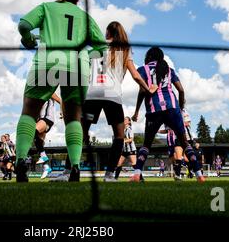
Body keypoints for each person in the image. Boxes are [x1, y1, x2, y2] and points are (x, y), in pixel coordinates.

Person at [14, 0, 107, 182]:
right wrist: (86, 55)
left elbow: (24, 26)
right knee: (74, 117)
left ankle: (20, 161)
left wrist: (28, 40)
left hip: (48, 59)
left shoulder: (46, 7)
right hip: (77, 65)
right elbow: (102, 48)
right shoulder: (85, 17)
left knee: (29, 111)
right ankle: (74, 167)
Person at [51, 21, 156, 182]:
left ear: (107, 33)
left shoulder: (95, 47)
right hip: (112, 96)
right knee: (119, 136)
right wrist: (148, 89)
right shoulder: (125, 50)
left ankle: (68, 172)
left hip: (92, 94)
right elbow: (135, 75)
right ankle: (109, 175)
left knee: (79, 133)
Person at [131, 47, 205, 183]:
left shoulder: (144, 69)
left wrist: (136, 112)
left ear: (148, 56)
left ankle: (136, 174)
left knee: (146, 144)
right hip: (173, 109)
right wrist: (181, 107)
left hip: (154, 110)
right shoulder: (169, 70)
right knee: (185, 143)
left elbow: (142, 91)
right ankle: (200, 175)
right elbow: (181, 90)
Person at [34, 93, 62, 179]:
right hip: (41, 119)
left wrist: (62, 111)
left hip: (47, 118)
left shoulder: (49, 90)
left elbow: (60, 101)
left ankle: (44, 158)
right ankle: (46, 167)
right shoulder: (37, 92)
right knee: (38, 142)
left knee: (32, 131)